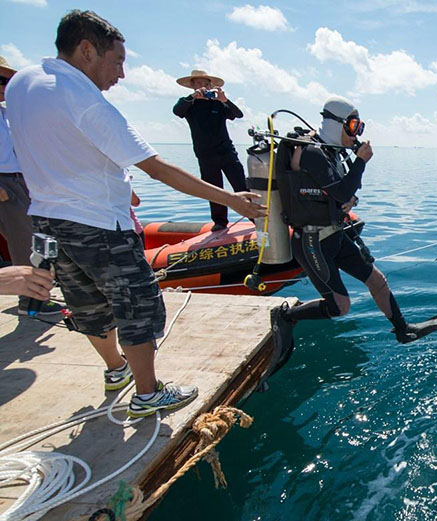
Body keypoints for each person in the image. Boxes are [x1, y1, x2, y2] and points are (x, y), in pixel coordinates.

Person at [6, 10, 266, 418]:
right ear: (86, 50)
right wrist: (233, 201)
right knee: (137, 305)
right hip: (99, 225)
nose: (122, 74)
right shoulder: (86, 100)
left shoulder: (22, 83)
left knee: (86, 304)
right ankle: (147, 393)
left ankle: (116, 370)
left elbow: (59, 145)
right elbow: (159, 168)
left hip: (46, 220)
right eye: (117, 61)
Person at [271, 96, 437, 357]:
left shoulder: (330, 153)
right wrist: (360, 162)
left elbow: (341, 192)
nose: (357, 134)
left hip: (334, 235)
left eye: (359, 127)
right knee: (340, 307)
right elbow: (341, 191)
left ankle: (402, 329)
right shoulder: (312, 153)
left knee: (377, 280)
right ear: (336, 124)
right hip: (312, 242)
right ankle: (287, 316)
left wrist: (350, 200)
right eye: (353, 126)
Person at [0, 54, 63, 317]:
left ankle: (35, 293)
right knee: (25, 241)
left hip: (19, 180)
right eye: (1, 80)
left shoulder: (7, 114)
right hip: (5, 182)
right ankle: (30, 300)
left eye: (6, 81)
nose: (5, 86)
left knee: (33, 237)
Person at [173, 70, 247, 232]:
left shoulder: (218, 103)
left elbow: (238, 114)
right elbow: (177, 111)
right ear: (193, 85)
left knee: (241, 185)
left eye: (205, 84)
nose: (203, 87)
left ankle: (255, 217)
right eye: (199, 83)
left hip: (227, 152)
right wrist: (193, 97)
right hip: (205, 155)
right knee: (214, 189)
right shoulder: (189, 104)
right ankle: (220, 222)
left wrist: (225, 100)